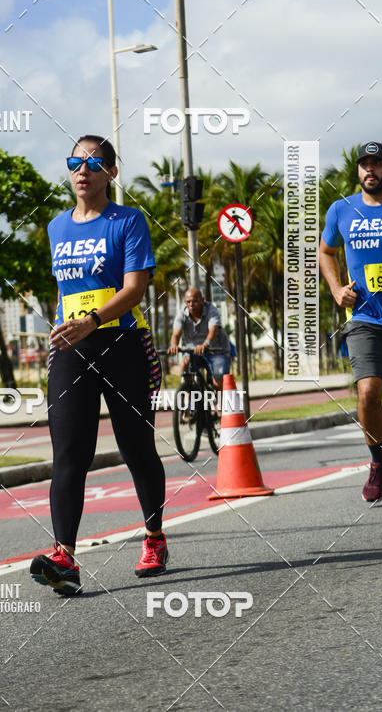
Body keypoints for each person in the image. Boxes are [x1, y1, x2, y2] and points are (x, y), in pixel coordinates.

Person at [29, 135, 167, 595]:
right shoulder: (56, 227)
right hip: (72, 348)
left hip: (121, 343)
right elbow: (65, 291)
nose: (82, 170)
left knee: (136, 448)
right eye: (75, 162)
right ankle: (64, 558)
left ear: (110, 172)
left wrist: (92, 321)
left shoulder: (128, 221)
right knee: (69, 455)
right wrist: (66, 330)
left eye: (93, 163)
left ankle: (154, 537)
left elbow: (134, 289)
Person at [320, 141, 382, 502]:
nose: (370, 170)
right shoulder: (341, 210)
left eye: (377, 164)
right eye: (365, 164)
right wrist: (335, 289)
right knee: (367, 392)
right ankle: (379, 461)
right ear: (357, 171)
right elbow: (326, 251)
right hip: (365, 318)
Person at [168, 288, 231, 391]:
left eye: (195, 301)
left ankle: (220, 406)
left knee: (217, 382)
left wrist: (205, 344)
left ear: (202, 299)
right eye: (188, 302)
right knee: (184, 363)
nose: (191, 304)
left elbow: (213, 331)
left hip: (216, 350)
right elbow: (176, 334)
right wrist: (174, 345)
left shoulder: (211, 309)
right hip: (194, 352)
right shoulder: (182, 314)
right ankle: (187, 395)